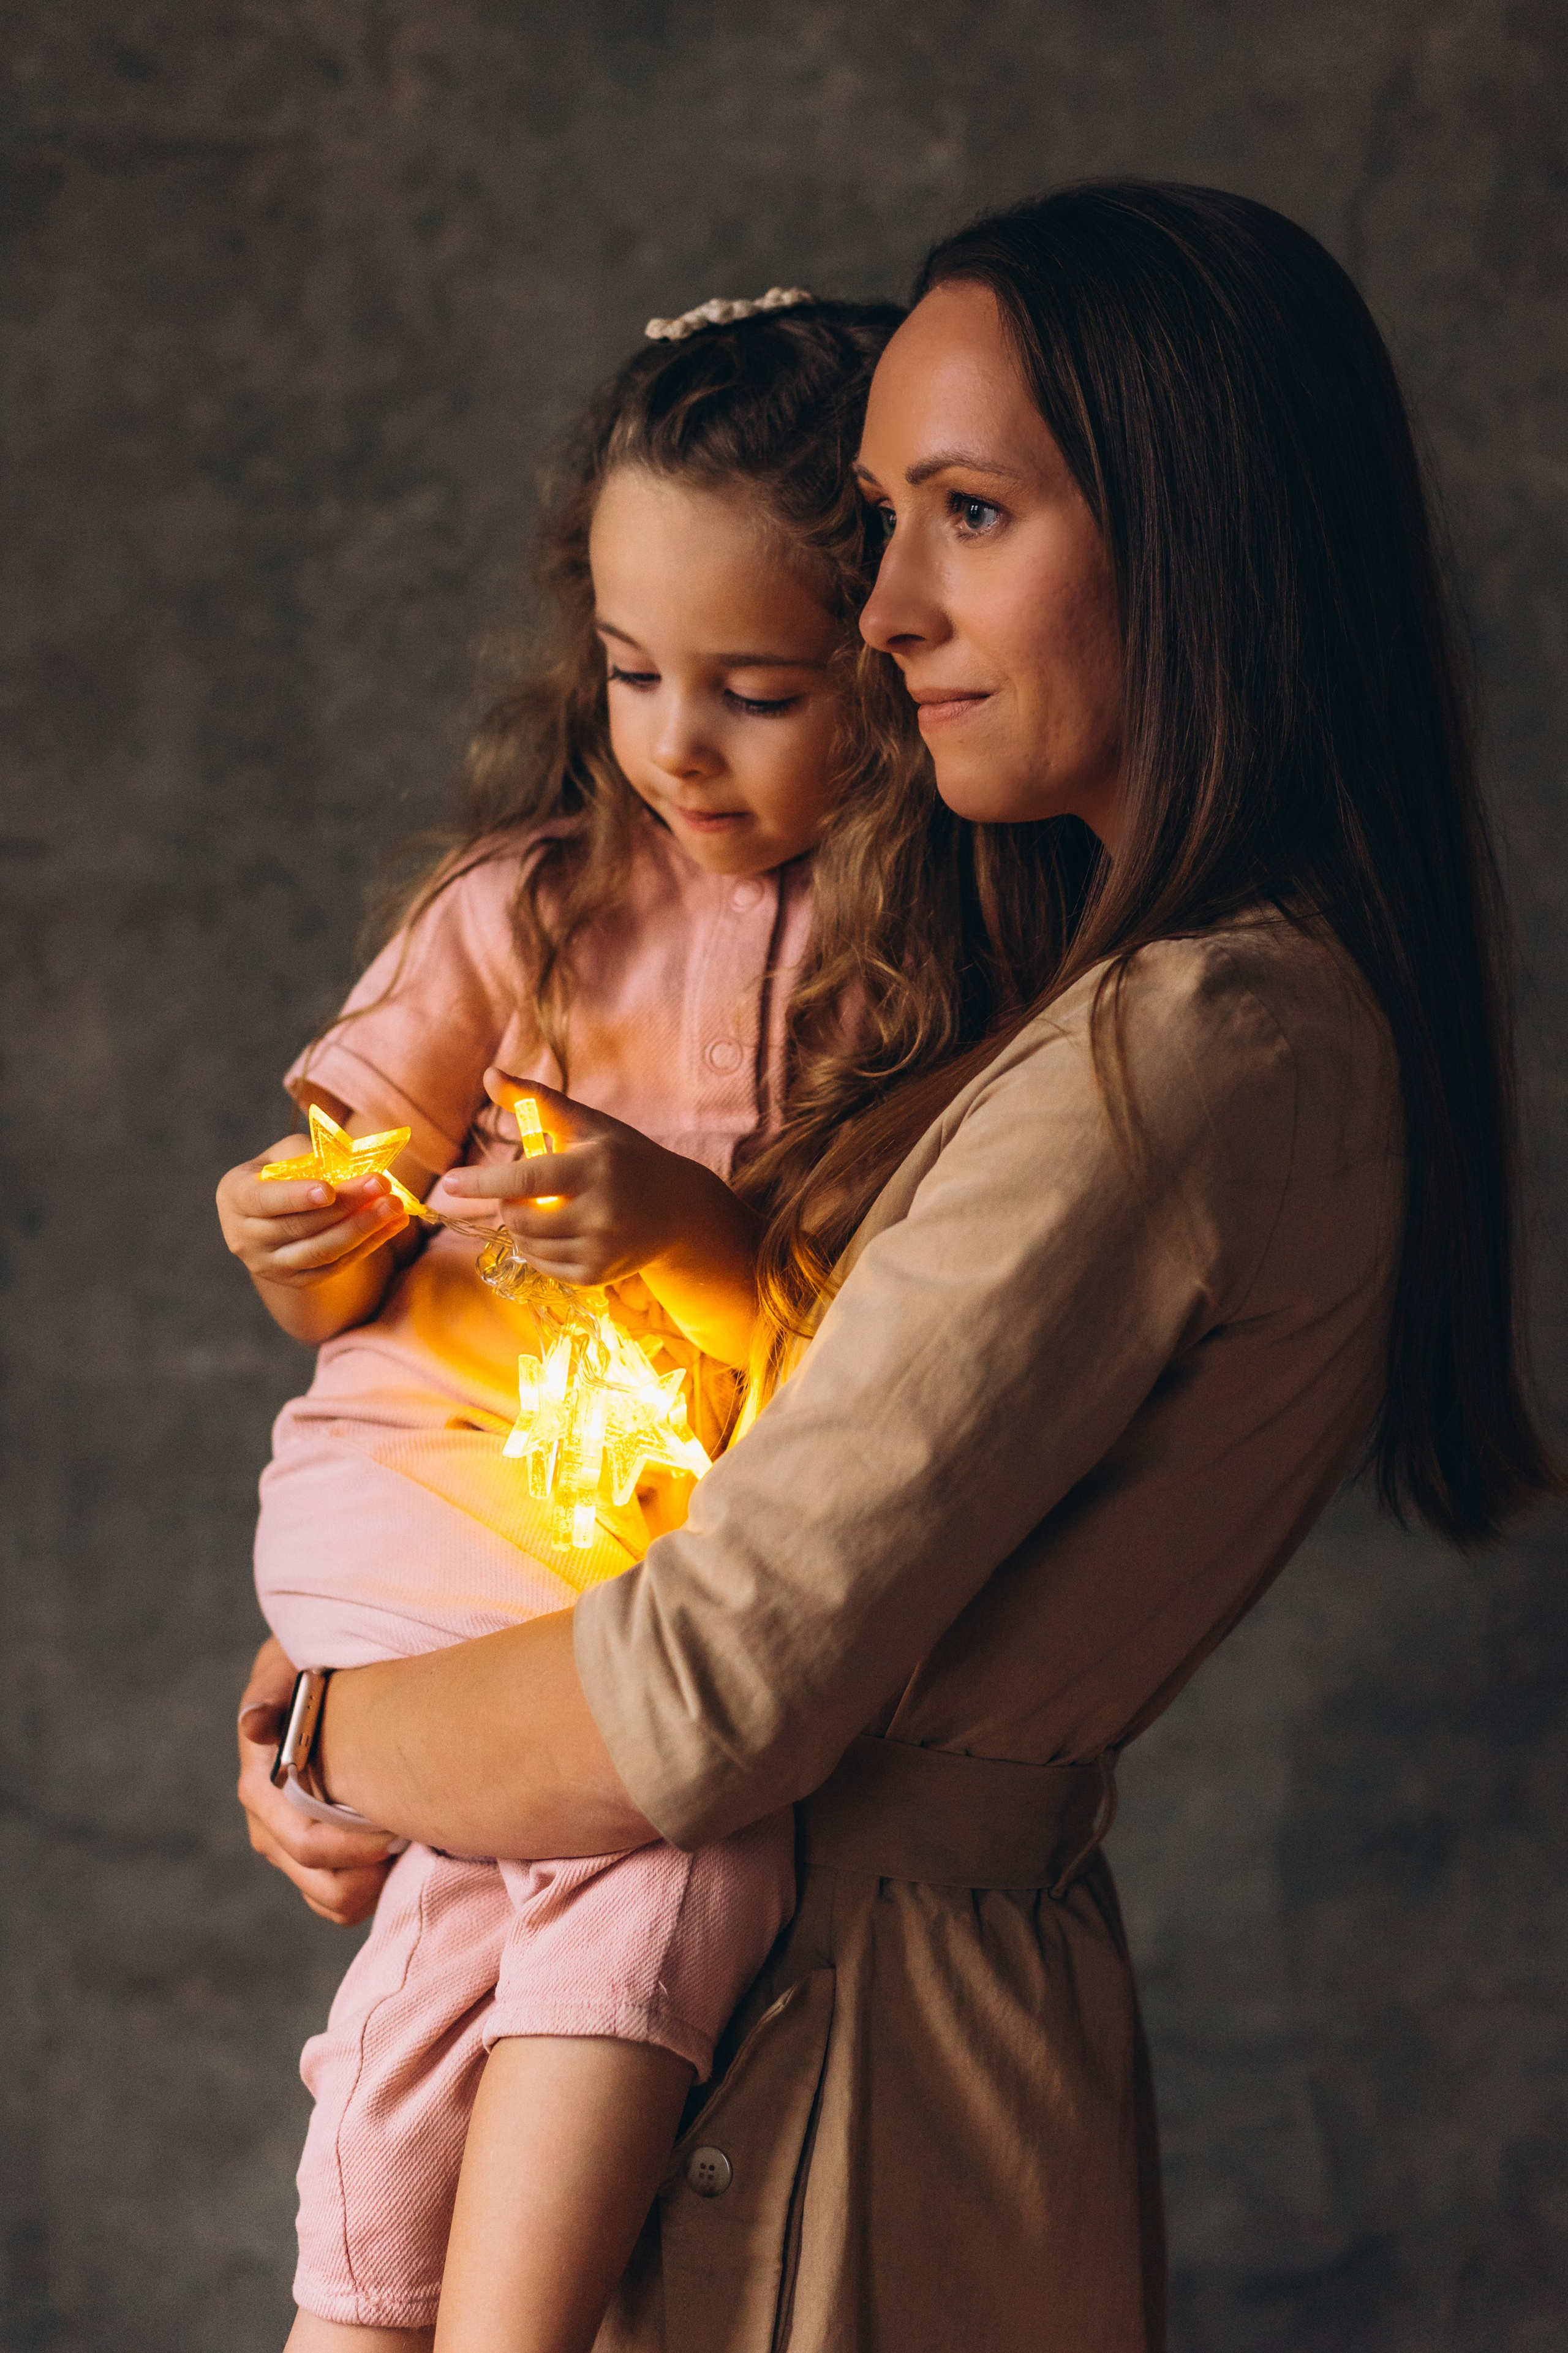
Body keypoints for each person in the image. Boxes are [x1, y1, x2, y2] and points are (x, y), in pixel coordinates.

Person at [238, 184, 1558, 2352]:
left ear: (1197, 542)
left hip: (840, 2063)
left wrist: (328, 1729)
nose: (885, 613)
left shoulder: (1189, 1047)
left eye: (967, 514)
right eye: (878, 521)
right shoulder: (1056, 993)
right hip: (760, 1997)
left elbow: (705, 1688)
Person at [217, 289, 1082, 2353]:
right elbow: (348, 1237)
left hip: (649, 1562)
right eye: (627, 673)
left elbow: (874, 1377)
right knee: (677, 1857)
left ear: (881, 660)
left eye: (757, 691)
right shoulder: (521, 913)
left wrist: (684, 1225)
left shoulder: (931, 989)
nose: (674, 744)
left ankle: (358, 2318)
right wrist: (306, 1231)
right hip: (422, 1508)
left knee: (467, 1923)